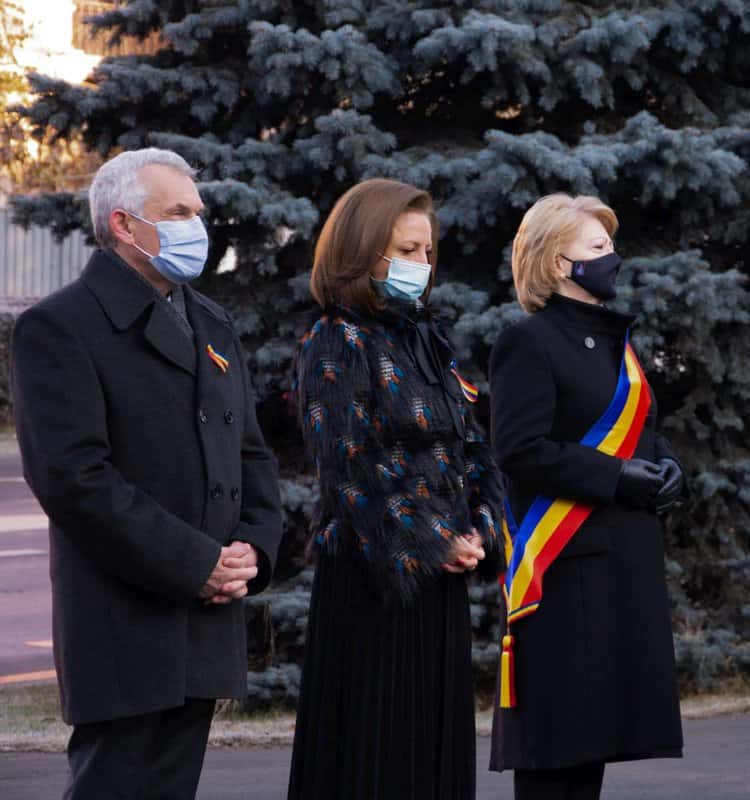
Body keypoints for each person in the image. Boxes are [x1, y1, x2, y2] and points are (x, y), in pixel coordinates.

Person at [11, 148, 282, 799]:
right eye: (180, 212)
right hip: (123, 622)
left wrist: (252, 547)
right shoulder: (60, 327)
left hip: (203, 618)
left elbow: (250, 453)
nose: (198, 226)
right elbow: (75, 479)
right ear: (126, 225)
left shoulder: (208, 322)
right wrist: (196, 563)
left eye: (198, 211)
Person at [287, 178, 503, 800]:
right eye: (406, 251)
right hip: (373, 584)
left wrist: (477, 529)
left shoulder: (425, 339)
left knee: (433, 757)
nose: (421, 266)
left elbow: (473, 446)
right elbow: (354, 469)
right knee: (383, 760)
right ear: (361, 253)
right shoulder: (335, 339)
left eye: (427, 253)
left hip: (439, 578)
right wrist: (438, 540)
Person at [487, 193, 684, 799]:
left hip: (621, 562)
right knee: (558, 752)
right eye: (597, 248)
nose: (612, 259)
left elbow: (642, 430)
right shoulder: (530, 341)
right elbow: (518, 448)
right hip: (563, 571)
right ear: (557, 264)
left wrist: (666, 464)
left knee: (593, 744)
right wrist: (614, 476)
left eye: (610, 246)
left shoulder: (616, 342)